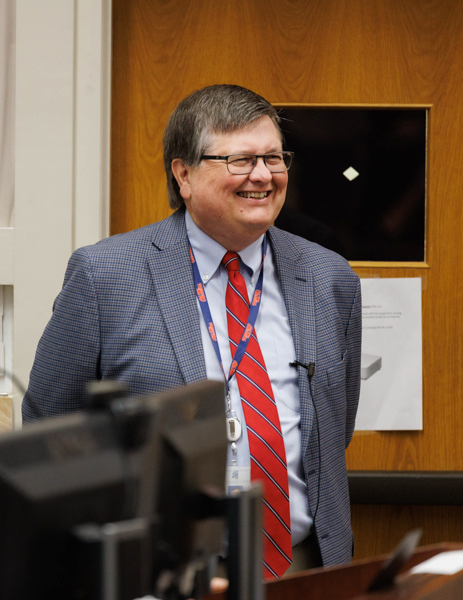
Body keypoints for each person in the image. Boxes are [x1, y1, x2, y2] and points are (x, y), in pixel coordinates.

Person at [24, 85, 361, 578]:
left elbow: (334, 426)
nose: (263, 176)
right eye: (241, 161)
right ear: (183, 173)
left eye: (273, 158)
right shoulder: (105, 277)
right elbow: (48, 433)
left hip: (303, 568)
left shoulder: (329, 278)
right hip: (162, 574)